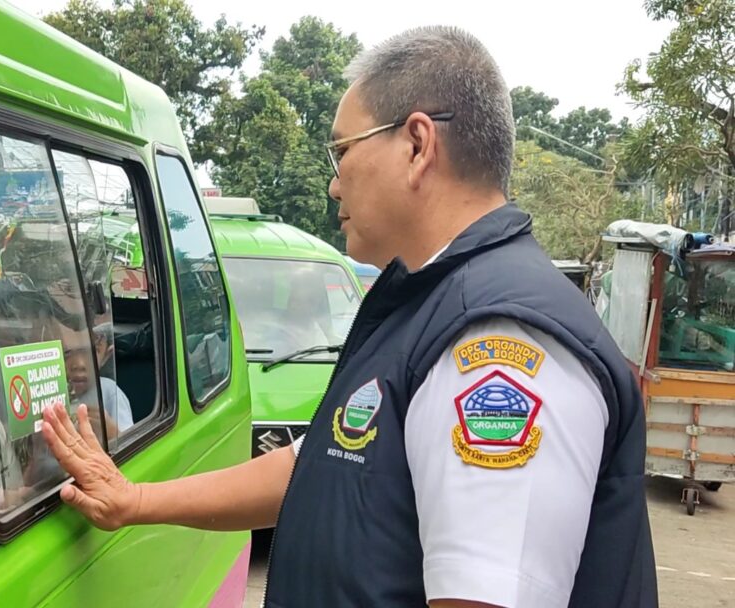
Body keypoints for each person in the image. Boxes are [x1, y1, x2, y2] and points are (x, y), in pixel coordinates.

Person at [41, 26, 657, 608]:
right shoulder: (426, 304)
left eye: (341, 152)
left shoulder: (496, 342)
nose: (334, 186)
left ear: (417, 145)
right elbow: (321, 461)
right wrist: (135, 499)